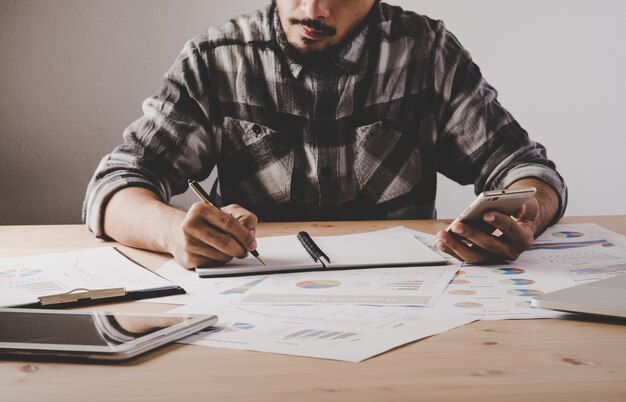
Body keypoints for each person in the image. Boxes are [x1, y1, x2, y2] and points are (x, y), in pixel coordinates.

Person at [83, 0, 567, 268]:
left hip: (409, 305)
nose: (315, 9)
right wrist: (173, 232)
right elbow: (113, 187)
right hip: (252, 300)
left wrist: (526, 218)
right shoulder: (216, 57)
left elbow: (528, 170)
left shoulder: (425, 52)